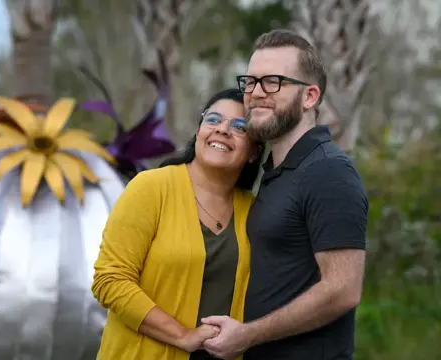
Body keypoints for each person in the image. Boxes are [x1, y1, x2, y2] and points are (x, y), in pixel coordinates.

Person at [201, 30, 369, 360]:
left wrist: (247, 334)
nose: (256, 93)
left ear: (309, 97)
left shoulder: (329, 172)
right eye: (249, 82)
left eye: (273, 82)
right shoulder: (276, 172)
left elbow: (343, 290)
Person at [91, 88, 263, 360]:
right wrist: (183, 336)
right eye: (214, 120)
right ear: (199, 131)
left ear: (254, 151)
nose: (222, 130)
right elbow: (110, 280)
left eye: (239, 126)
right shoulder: (151, 188)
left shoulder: (254, 210)